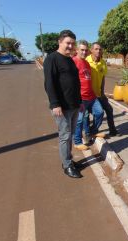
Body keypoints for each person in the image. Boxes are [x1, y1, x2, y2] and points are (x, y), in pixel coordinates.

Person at [43, 30, 82, 178]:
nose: (70, 46)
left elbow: (75, 83)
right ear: (60, 42)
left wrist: (80, 101)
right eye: (68, 43)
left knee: (69, 134)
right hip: (62, 107)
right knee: (65, 136)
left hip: (74, 105)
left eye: (72, 43)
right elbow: (49, 83)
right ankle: (66, 165)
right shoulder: (52, 59)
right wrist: (55, 104)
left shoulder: (70, 60)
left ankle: (68, 160)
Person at [72, 40, 104, 151]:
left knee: (100, 112)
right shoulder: (73, 62)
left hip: (91, 96)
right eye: (82, 50)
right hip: (81, 97)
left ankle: (92, 132)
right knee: (80, 120)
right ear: (76, 50)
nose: (84, 52)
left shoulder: (86, 63)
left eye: (86, 50)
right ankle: (77, 142)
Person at [86, 42, 119, 136]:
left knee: (109, 109)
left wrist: (102, 93)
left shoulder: (103, 63)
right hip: (88, 95)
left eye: (100, 49)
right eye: (96, 49)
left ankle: (112, 130)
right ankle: (89, 132)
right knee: (90, 114)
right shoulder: (86, 61)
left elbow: (103, 78)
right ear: (91, 50)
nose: (98, 51)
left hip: (99, 94)